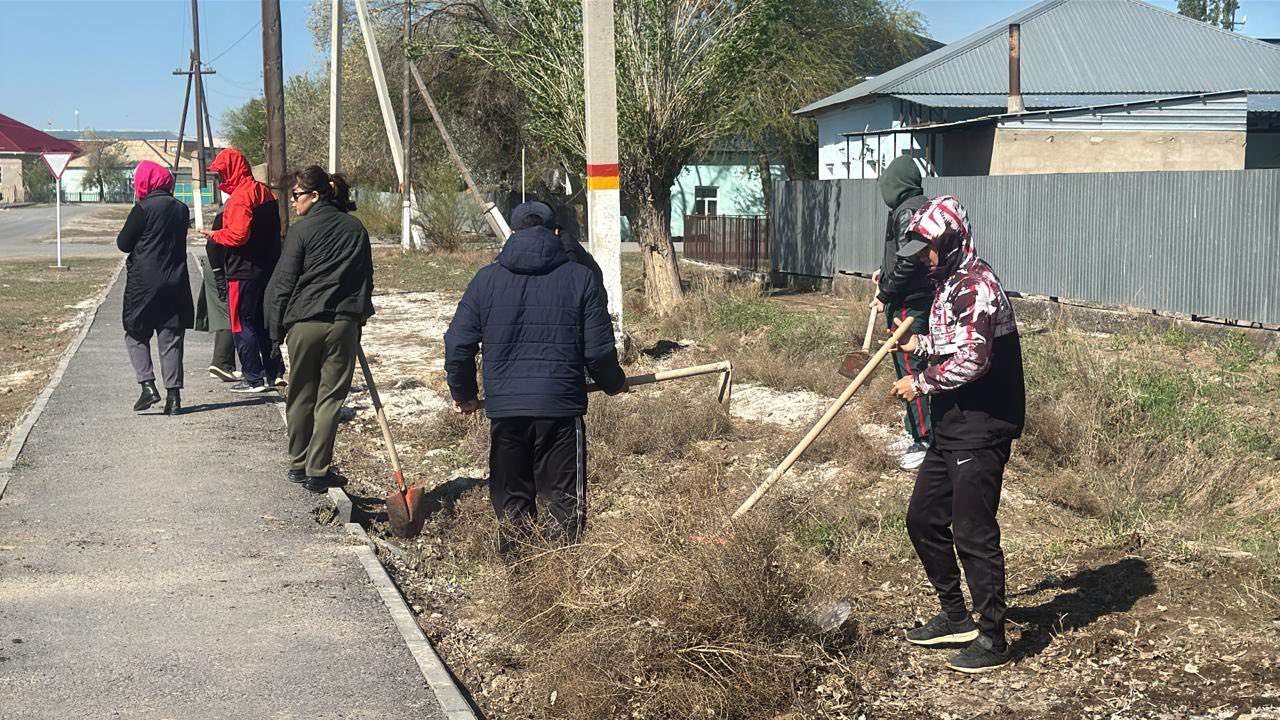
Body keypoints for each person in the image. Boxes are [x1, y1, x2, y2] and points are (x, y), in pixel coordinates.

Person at [887, 195, 1025, 674]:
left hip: (982, 425)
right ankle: (955, 617)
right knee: (923, 518)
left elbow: (974, 359)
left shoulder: (976, 286)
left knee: (973, 532)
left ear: (949, 243)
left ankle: (993, 639)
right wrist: (920, 344)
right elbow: (953, 344)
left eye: (927, 249)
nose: (923, 259)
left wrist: (920, 383)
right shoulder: (947, 284)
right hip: (953, 424)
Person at [444, 201, 625, 555]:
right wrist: (614, 382)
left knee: (512, 500)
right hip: (560, 411)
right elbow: (598, 352)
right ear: (556, 232)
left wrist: (464, 393)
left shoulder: (485, 280)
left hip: (506, 412)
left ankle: (519, 575)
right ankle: (560, 575)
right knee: (564, 502)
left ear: (511, 233)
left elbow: (458, 344)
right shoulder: (581, 278)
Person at [265, 166, 374, 493]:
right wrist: (359, 319)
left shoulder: (300, 231)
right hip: (342, 324)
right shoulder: (355, 228)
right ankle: (317, 470)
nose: (292, 200)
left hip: (304, 324)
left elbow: (284, 282)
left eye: (296, 194)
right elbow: (365, 279)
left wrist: (274, 332)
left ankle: (298, 465)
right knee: (330, 400)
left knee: (300, 394)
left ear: (314, 195)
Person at [201, 148, 284, 393]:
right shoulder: (265, 193)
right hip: (266, 270)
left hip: (241, 271)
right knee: (262, 323)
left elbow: (238, 236)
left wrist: (214, 235)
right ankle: (274, 372)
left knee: (241, 325)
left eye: (221, 173)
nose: (220, 179)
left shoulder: (239, 197)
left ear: (231, 171)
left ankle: (252, 377)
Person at [116, 160, 193, 415]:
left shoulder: (143, 208)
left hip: (144, 283)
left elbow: (124, 243)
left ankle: (148, 385)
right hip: (175, 280)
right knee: (171, 336)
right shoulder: (181, 209)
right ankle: (174, 398)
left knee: (135, 332)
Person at [871, 155, 933, 472]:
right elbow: (899, 254)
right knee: (904, 364)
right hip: (906, 296)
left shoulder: (909, 210)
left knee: (912, 368)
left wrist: (886, 293)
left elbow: (910, 261)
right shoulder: (909, 207)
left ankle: (924, 440)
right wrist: (883, 271)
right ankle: (913, 432)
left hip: (910, 301)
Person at [195, 209, 240, 382]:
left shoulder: (230, 208)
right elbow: (212, 244)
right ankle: (221, 363)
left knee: (228, 312)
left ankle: (226, 364)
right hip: (220, 268)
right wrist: (218, 274)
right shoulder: (232, 210)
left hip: (223, 266)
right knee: (228, 313)